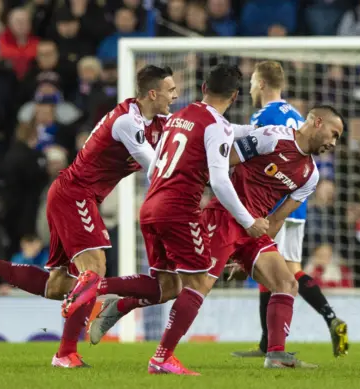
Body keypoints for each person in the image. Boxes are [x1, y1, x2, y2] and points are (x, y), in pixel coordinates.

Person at [0, 65, 177, 367]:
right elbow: (157, 169)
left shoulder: (159, 121)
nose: (176, 95)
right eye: (170, 90)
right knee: (95, 268)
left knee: (56, 286)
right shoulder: (126, 122)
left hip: (72, 194)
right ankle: (66, 352)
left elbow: (187, 137)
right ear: (152, 93)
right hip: (75, 195)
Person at [91, 63, 268, 375]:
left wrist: (259, 130)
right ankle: (161, 358)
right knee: (199, 281)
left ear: (203, 88)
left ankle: (100, 290)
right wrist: (248, 219)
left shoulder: (178, 117)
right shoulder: (217, 126)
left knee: (167, 285)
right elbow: (220, 180)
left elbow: (226, 132)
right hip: (178, 211)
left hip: (149, 207)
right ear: (236, 95)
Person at [231, 61, 348, 358]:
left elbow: (252, 159)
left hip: (275, 200)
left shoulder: (264, 115)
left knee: (271, 271)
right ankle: (330, 318)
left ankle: (268, 345)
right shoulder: (296, 114)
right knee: (290, 271)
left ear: (259, 84)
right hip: (298, 199)